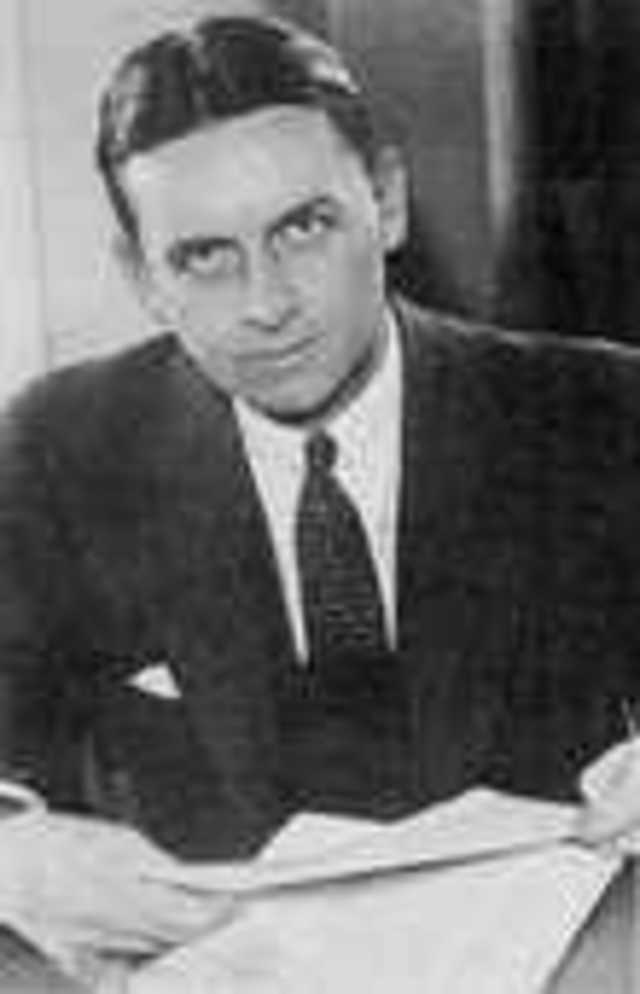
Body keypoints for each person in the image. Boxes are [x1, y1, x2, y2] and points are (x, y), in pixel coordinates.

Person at [1, 9, 640, 973]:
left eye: (303, 228)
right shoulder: (59, 450)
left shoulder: (600, 414)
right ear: (142, 278)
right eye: (204, 256)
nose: (267, 304)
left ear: (387, 203)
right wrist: (16, 850)